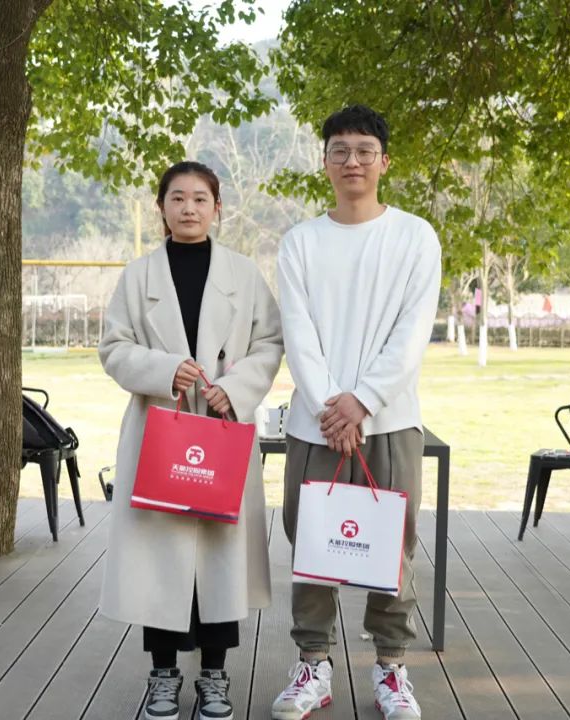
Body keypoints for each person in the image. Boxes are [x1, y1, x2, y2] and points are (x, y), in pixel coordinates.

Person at [272, 105, 441, 720]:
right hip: (315, 424)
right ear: (324, 162)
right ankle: (313, 664)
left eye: (364, 150)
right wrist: (331, 406)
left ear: (384, 161)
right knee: (312, 538)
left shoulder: (415, 236)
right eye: (339, 150)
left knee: (393, 542)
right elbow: (298, 333)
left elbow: (412, 331)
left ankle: (392, 667)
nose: (352, 161)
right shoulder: (300, 242)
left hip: (389, 420)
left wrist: (362, 400)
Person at [98, 160, 283, 720]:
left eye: (200, 199)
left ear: (217, 208)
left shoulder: (244, 274)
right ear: (160, 207)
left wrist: (235, 389)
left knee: (221, 558)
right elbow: (113, 348)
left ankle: (214, 676)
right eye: (177, 198)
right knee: (162, 559)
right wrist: (163, 369)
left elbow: (269, 343)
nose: (188, 208)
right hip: (161, 429)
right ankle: (162, 675)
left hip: (222, 430)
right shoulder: (138, 276)